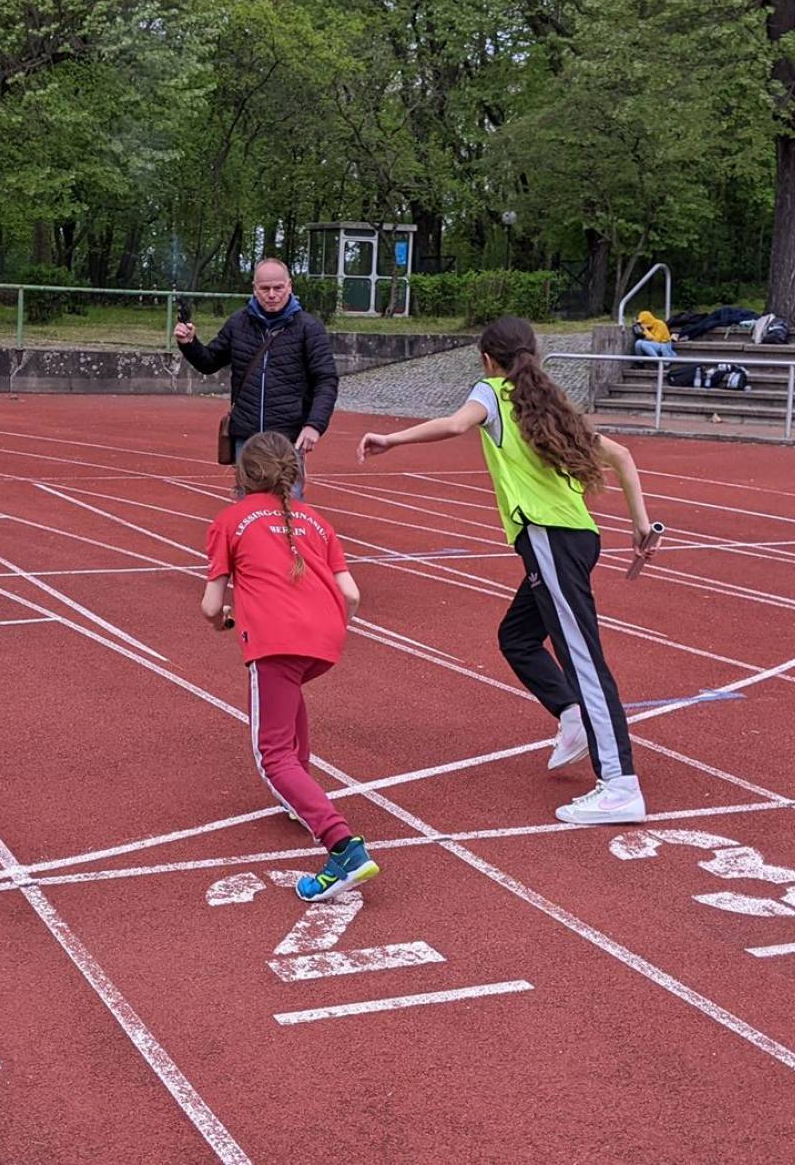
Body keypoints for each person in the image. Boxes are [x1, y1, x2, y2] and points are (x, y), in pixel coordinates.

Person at [355, 317, 658, 826]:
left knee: (583, 658)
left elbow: (456, 424)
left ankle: (620, 784)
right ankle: (572, 716)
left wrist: (392, 438)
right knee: (517, 637)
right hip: (576, 539)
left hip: (550, 539)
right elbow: (623, 456)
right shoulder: (551, 403)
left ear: (487, 360)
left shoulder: (493, 392)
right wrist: (641, 525)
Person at [201, 432, 376, 901]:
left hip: (274, 642)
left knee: (271, 754)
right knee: (289, 702)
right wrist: (327, 627)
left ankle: (343, 847)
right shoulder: (317, 520)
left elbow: (211, 605)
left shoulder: (230, 521)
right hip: (325, 639)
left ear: (242, 476)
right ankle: (302, 802)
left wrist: (224, 621)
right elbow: (351, 594)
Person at [175, 258, 338, 490]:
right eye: (265, 288)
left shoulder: (309, 328)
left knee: (289, 502)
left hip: (287, 437)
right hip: (247, 436)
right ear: (254, 288)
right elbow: (209, 362)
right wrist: (189, 343)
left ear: (289, 286)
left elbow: (326, 380)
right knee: (248, 503)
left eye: (278, 288)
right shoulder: (238, 323)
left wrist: (314, 425)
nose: (272, 295)